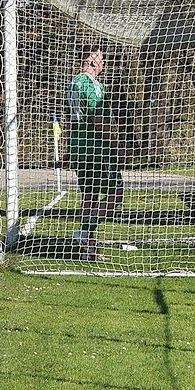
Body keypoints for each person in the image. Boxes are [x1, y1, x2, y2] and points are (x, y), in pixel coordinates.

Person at [64, 44, 122, 259]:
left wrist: (69, 147)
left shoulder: (72, 83)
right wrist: (116, 145)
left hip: (80, 148)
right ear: (92, 61)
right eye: (101, 59)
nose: (104, 63)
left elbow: (69, 119)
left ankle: (88, 246)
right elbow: (98, 118)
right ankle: (85, 232)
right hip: (96, 148)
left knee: (89, 196)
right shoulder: (91, 84)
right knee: (116, 194)